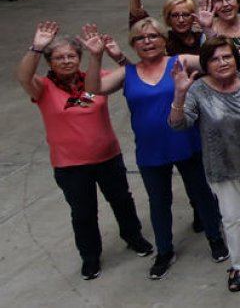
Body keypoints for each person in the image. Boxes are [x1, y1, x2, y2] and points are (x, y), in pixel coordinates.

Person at [81, 19, 226, 279]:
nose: (147, 42)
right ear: (133, 45)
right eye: (140, 38)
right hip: (150, 150)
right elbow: (93, 89)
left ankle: (216, 239)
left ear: (163, 39)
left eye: (152, 36)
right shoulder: (128, 73)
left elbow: (216, 59)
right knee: (159, 202)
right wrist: (95, 57)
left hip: (186, 141)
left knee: (202, 194)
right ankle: (164, 251)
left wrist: (207, 30)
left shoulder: (180, 61)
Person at [17, 22, 153, 280]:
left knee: (122, 200)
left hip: (108, 157)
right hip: (70, 165)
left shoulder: (96, 78)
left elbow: (133, 74)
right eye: (59, 57)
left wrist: (105, 54)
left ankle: (133, 236)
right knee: (83, 212)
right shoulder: (43, 88)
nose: (66, 61)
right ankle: (90, 257)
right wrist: (36, 47)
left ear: (79, 58)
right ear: (49, 62)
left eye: (71, 55)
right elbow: (23, 76)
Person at [167, 36, 240, 292]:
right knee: (231, 218)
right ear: (205, 64)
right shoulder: (197, 89)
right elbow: (178, 124)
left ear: (235, 58)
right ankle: (239, 264)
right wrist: (179, 93)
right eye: (214, 59)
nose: (222, 63)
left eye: (227, 57)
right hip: (220, 163)